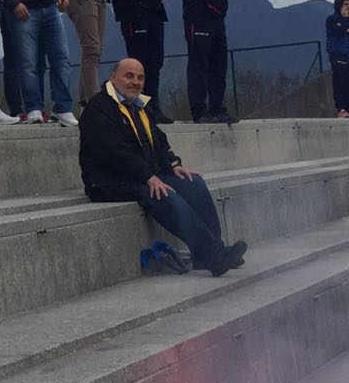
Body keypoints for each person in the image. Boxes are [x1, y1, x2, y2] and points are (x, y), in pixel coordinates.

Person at [79, 58, 247, 276]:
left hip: (142, 174)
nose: (135, 82)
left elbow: (158, 140)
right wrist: (149, 177)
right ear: (113, 78)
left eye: (140, 77)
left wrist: (174, 164)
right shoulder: (98, 108)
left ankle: (209, 253)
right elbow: (114, 153)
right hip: (108, 182)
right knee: (163, 193)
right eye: (129, 76)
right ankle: (214, 256)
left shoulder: (139, 106)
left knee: (193, 183)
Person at [179, 0, 238, 124]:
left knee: (218, 67)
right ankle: (199, 110)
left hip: (218, 22)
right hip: (198, 21)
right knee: (199, 66)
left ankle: (217, 108)